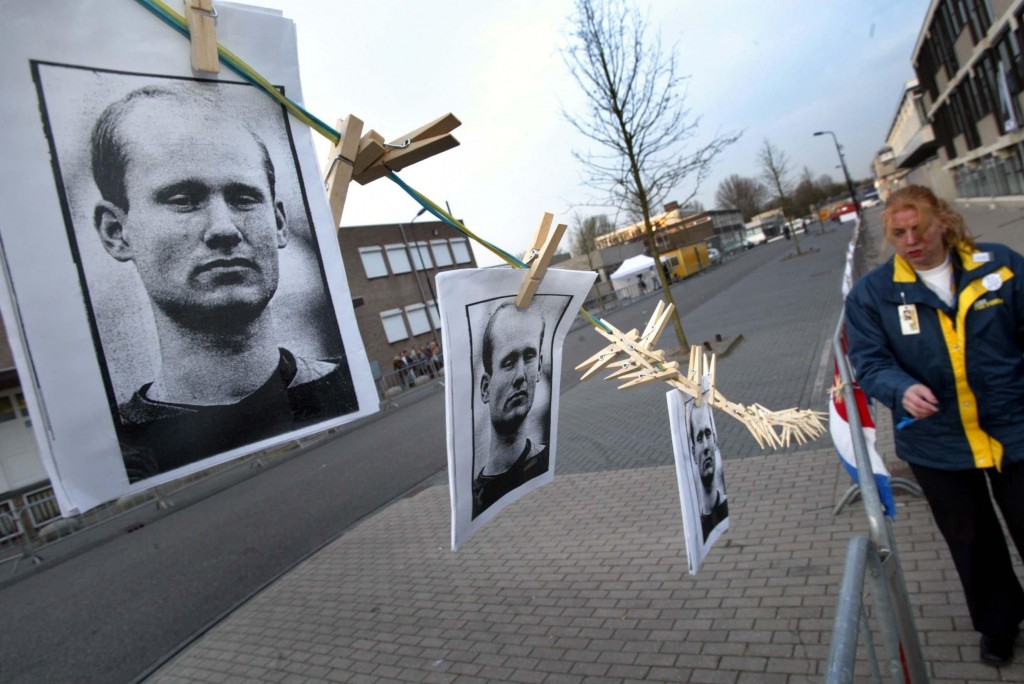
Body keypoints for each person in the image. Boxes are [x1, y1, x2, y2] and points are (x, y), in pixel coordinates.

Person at [90, 83, 357, 482]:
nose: (224, 229)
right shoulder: (117, 453)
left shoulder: (349, 390)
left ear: (279, 222)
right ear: (117, 231)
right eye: (183, 199)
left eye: (244, 198)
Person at [845, 184, 1024, 666]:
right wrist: (901, 389)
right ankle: (1000, 624)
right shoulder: (873, 294)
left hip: (1014, 428)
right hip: (936, 443)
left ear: (942, 220)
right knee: (972, 541)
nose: (910, 240)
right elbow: (870, 361)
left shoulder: (1000, 265)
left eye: (919, 228)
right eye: (898, 233)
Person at [472, 302, 549, 518]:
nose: (520, 376)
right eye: (508, 362)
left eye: (530, 357)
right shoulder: (475, 497)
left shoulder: (545, 460)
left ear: (540, 368)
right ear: (486, 388)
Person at [689, 398, 728, 540]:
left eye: (708, 434)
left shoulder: (724, 508)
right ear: (693, 453)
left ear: (715, 439)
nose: (706, 446)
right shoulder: (696, 525)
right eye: (699, 438)